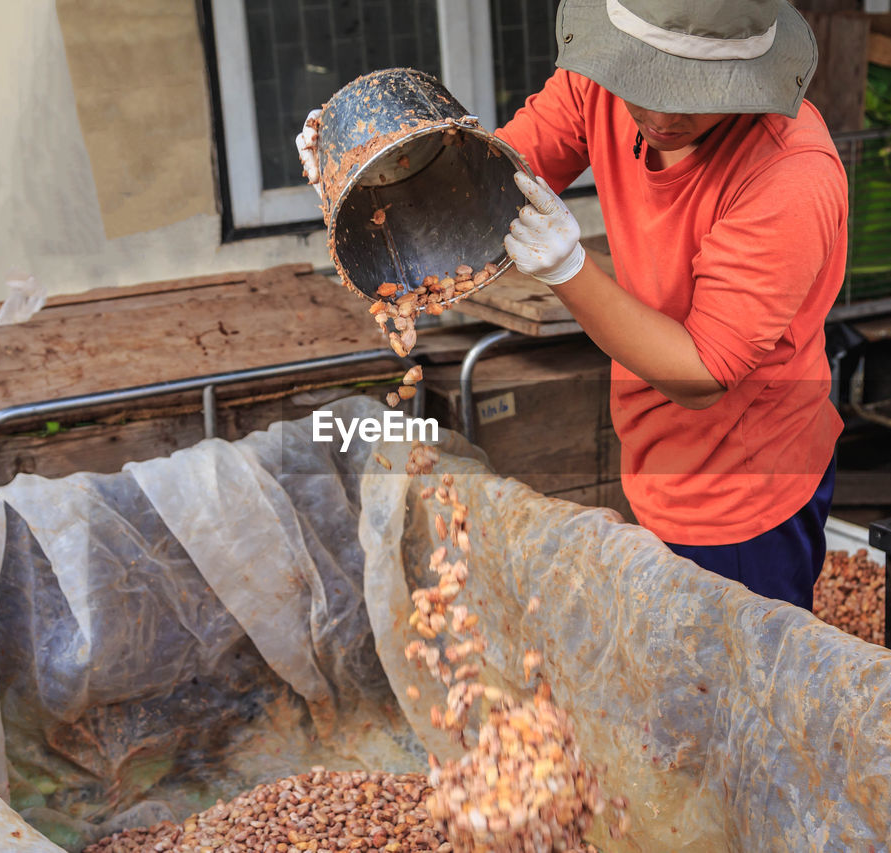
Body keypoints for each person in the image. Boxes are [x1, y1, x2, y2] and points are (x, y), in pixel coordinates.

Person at [298, 0, 846, 610]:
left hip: (743, 486)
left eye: (695, 91)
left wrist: (569, 270)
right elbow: (486, 183)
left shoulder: (790, 174)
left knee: (735, 688)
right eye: (644, 82)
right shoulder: (600, 84)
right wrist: (366, 159)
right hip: (653, 449)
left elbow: (700, 374)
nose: (661, 113)